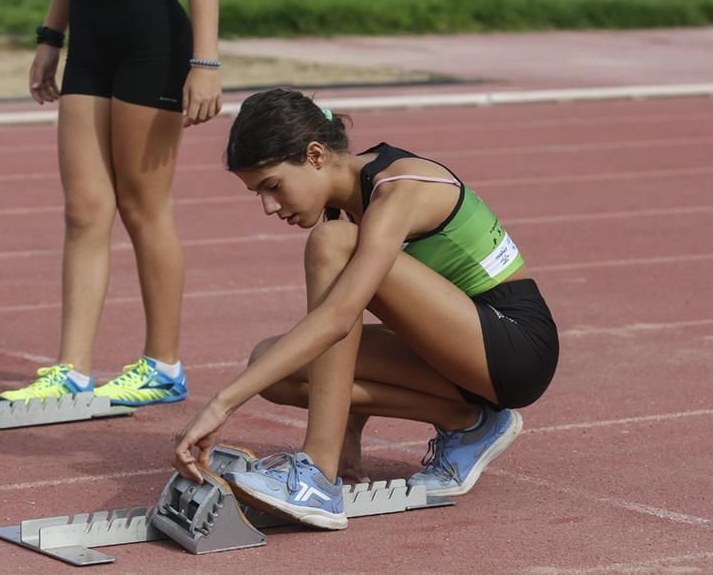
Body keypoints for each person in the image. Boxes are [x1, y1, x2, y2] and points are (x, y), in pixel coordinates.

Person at [172, 88, 559, 530]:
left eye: (273, 186)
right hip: (454, 351)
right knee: (270, 365)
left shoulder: (396, 190)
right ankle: (468, 424)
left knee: (330, 246)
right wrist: (349, 435)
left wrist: (222, 404)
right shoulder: (346, 208)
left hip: (514, 344)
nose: (268, 207)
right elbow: (347, 329)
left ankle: (318, 474)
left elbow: (338, 318)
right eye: (258, 193)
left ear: (315, 154)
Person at [0, 0, 222, 405]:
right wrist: (50, 37)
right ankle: (71, 371)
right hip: (90, 39)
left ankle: (163, 367)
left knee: (143, 208)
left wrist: (205, 62)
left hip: (152, 39)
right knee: (84, 210)